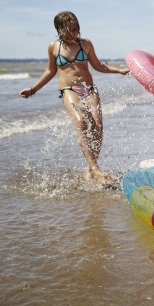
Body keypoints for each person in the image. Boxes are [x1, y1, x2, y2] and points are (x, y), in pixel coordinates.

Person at [19, 11, 129, 188]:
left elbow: (98, 66)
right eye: (69, 30)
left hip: (89, 88)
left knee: (97, 126)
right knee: (81, 123)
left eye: (76, 29)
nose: (73, 34)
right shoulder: (53, 47)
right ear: (59, 30)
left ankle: (90, 169)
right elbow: (50, 71)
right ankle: (96, 169)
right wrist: (33, 89)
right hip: (69, 90)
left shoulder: (86, 44)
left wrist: (119, 70)